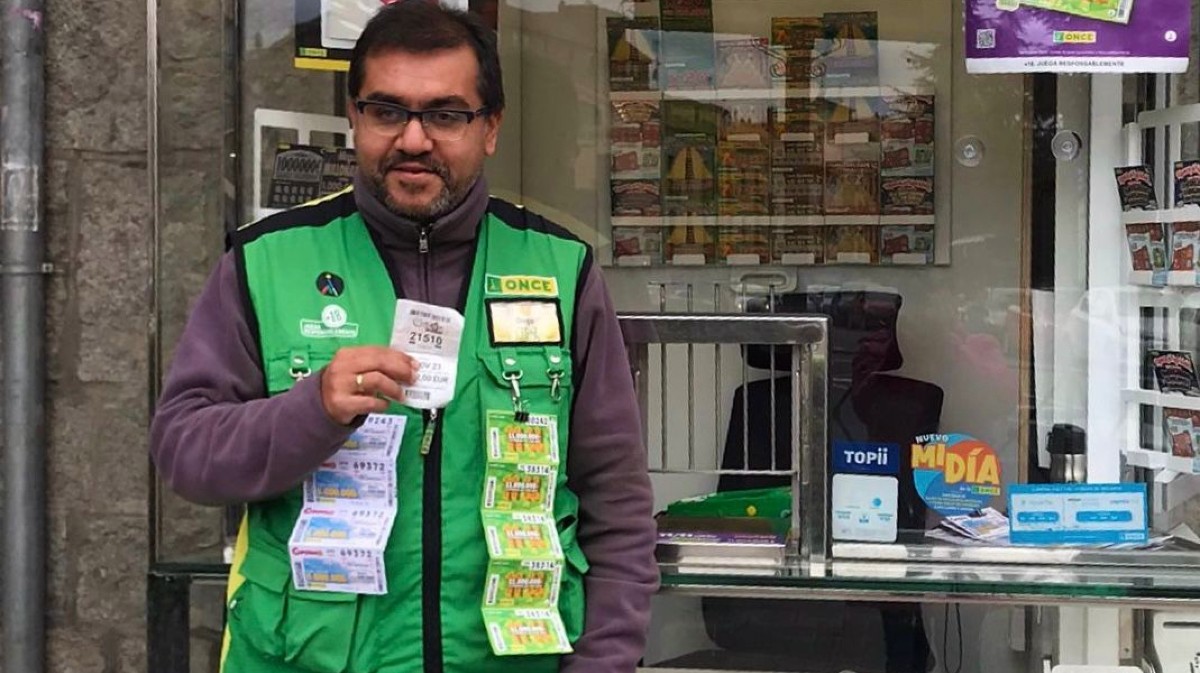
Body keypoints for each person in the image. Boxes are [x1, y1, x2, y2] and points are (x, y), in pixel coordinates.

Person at [149, 2, 658, 672]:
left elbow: (616, 501)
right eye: (387, 111)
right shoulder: (266, 261)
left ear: (491, 127)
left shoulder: (560, 269)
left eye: (446, 114)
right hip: (301, 658)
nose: (413, 139)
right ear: (355, 117)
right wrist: (312, 410)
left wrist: (603, 662)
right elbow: (184, 451)